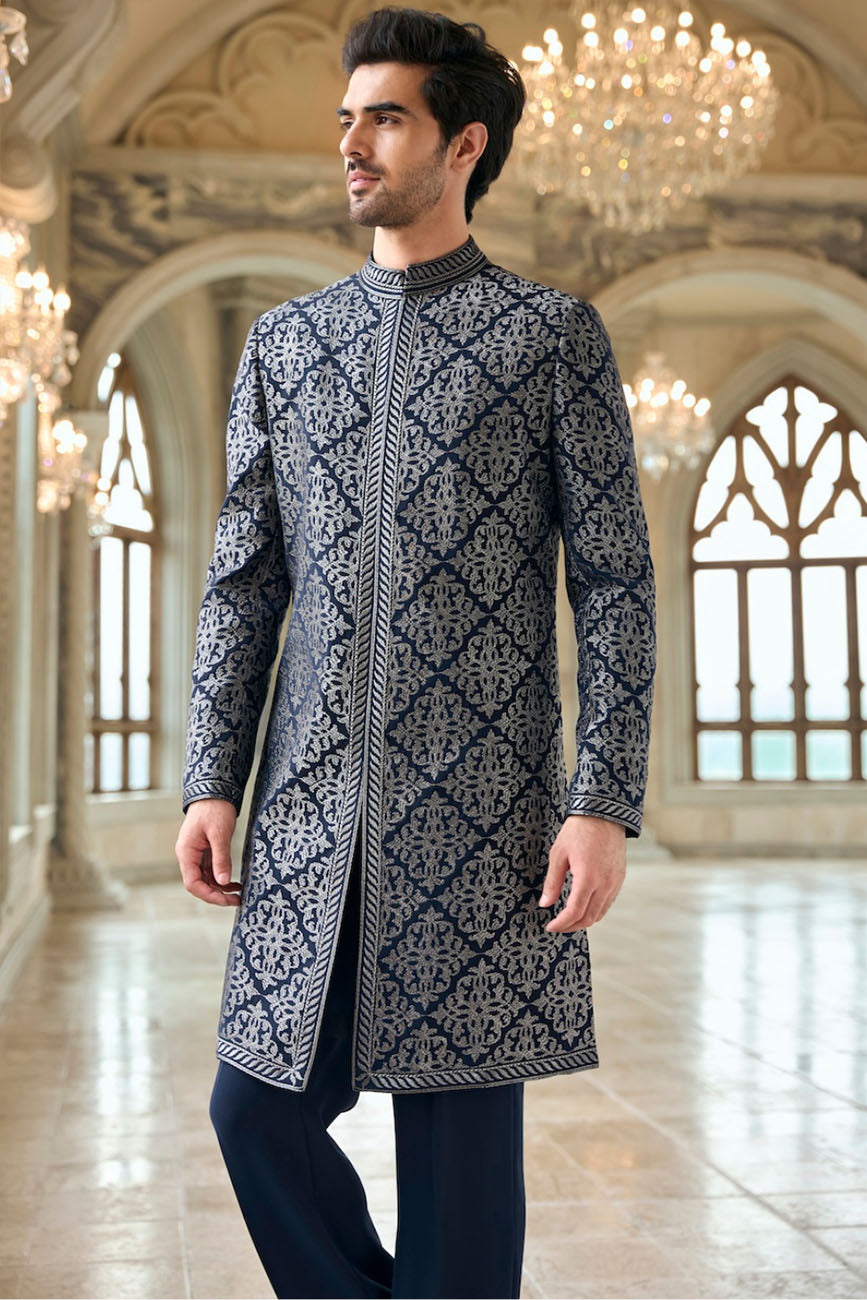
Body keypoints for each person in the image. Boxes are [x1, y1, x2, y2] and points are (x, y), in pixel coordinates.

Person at [175, 6, 657, 1298]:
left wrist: (603, 801)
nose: (352, 142)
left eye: (385, 118)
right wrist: (212, 778)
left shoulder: (551, 337)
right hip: (311, 807)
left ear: (463, 146)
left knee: (460, 1182)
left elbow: (616, 585)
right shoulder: (287, 345)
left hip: (483, 818)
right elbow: (244, 582)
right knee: (253, 1113)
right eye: (348, 118)